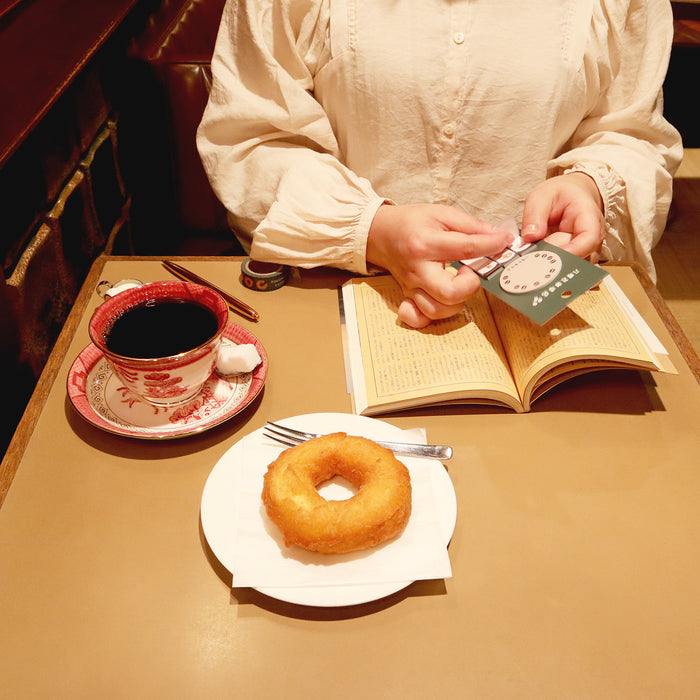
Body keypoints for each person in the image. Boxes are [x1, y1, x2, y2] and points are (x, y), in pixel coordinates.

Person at [197, 0, 682, 328]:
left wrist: (588, 186)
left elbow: (631, 131)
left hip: (544, 302)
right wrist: (371, 229)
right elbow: (249, 135)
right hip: (344, 291)